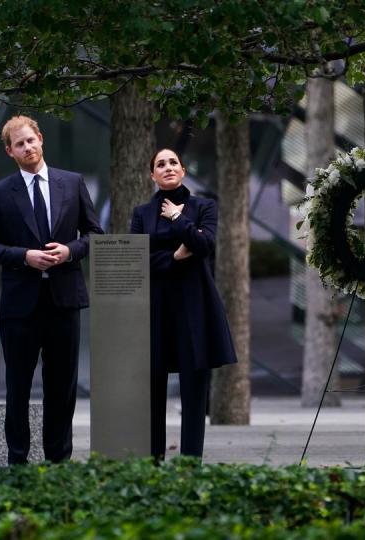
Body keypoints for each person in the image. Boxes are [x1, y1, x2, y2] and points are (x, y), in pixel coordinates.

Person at [0, 115, 103, 465]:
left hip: (64, 301)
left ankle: (58, 463)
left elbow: (94, 234)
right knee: (18, 387)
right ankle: (18, 462)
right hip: (20, 306)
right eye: (19, 144)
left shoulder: (72, 182)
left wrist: (69, 251)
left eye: (30, 140)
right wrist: (24, 257)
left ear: (41, 139)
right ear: (10, 152)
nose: (27, 147)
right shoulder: (0, 192)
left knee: (62, 388)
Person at [130, 148, 237, 460]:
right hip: (155, 309)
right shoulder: (142, 213)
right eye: (160, 164)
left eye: (173, 162)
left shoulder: (203, 206)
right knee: (152, 389)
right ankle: (153, 462)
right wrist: (174, 257)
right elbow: (137, 260)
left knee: (194, 390)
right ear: (152, 175)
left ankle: (191, 464)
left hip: (195, 308)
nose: (167, 167)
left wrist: (178, 218)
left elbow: (204, 246)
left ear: (183, 170)